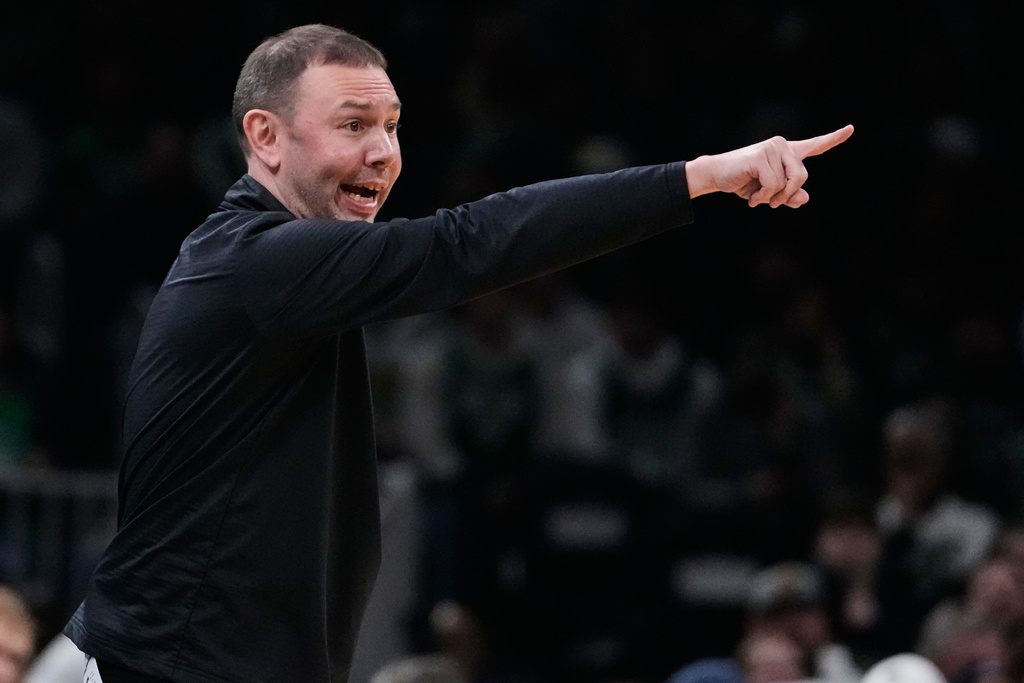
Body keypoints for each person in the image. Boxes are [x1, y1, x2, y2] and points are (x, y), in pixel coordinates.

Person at [61, 22, 853, 683]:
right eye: (352, 125)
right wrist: (703, 176)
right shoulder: (258, 263)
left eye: (392, 125)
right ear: (264, 137)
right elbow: (466, 244)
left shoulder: (283, 271)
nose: (383, 152)